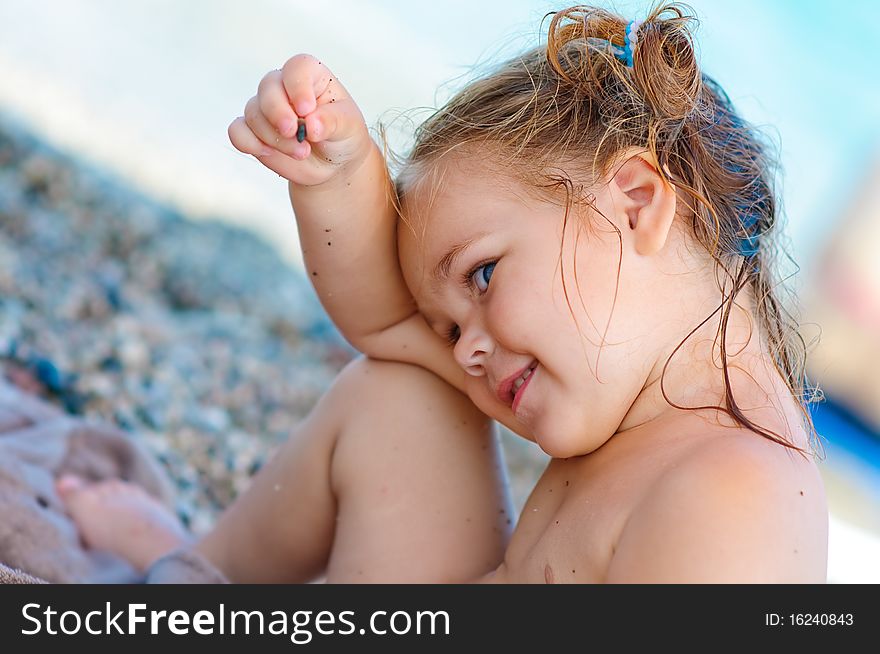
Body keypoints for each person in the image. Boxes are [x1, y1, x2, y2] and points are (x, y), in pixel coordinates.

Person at [59, 3, 828, 582]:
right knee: (399, 399)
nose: (466, 350)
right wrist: (337, 177)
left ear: (633, 203)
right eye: (452, 327)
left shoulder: (735, 498)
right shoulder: (641, 406)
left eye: (484, 275)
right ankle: (195, 572)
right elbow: (391, 323)